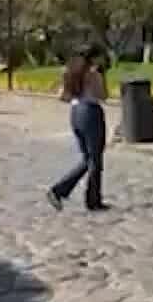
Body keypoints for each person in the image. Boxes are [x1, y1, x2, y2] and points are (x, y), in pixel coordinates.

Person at [46, 48, 110, 212]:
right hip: (91, 112)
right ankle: (90, 199)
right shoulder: (93, 73)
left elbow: (62, 96)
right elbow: (103, 95)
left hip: (75, 113)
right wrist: (103, 77)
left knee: (88, 159)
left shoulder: (71, 72)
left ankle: (62, 191)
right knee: (95, 159)